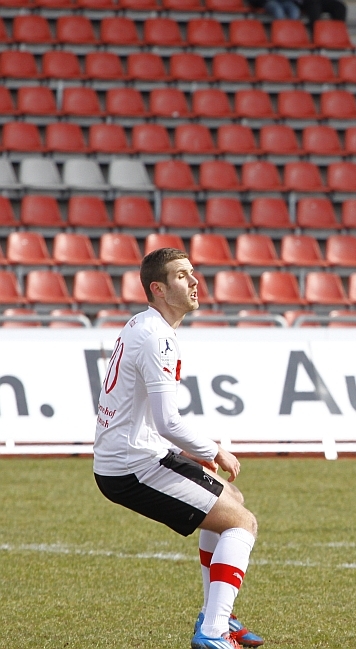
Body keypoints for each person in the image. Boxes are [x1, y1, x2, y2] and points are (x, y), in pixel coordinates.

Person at [92, 248, 264, 649]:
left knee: (232, 499)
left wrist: (185, 451)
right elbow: (168, 420)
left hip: (137, 453)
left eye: (192, 273)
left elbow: (143, 411)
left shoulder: (145, 325)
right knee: (242, 523)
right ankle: (214, 631)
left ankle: (215, 613)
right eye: (182, 276)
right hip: (132, 467)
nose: (194, 281)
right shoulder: (158, 338)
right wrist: (214, 450)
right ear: (159, 289)